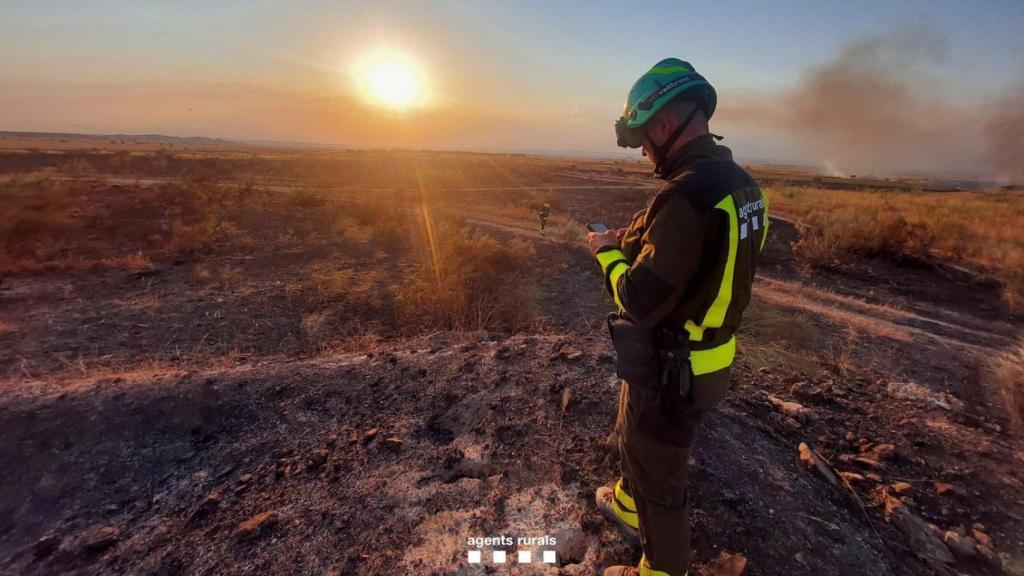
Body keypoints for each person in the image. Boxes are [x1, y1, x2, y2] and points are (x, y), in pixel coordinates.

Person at [588, 58, 769, 576]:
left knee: (660, 478)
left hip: (673, 368)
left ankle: (662, 568)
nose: (644, 152)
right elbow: (699, 255)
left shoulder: (685, 195)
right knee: (637, 441)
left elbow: (638, 299)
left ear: (665, 124)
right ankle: (627, 504)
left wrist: (606, 251)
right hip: (709, 358)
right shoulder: (742, 185)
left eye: (643, 139)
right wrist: (636, 238)